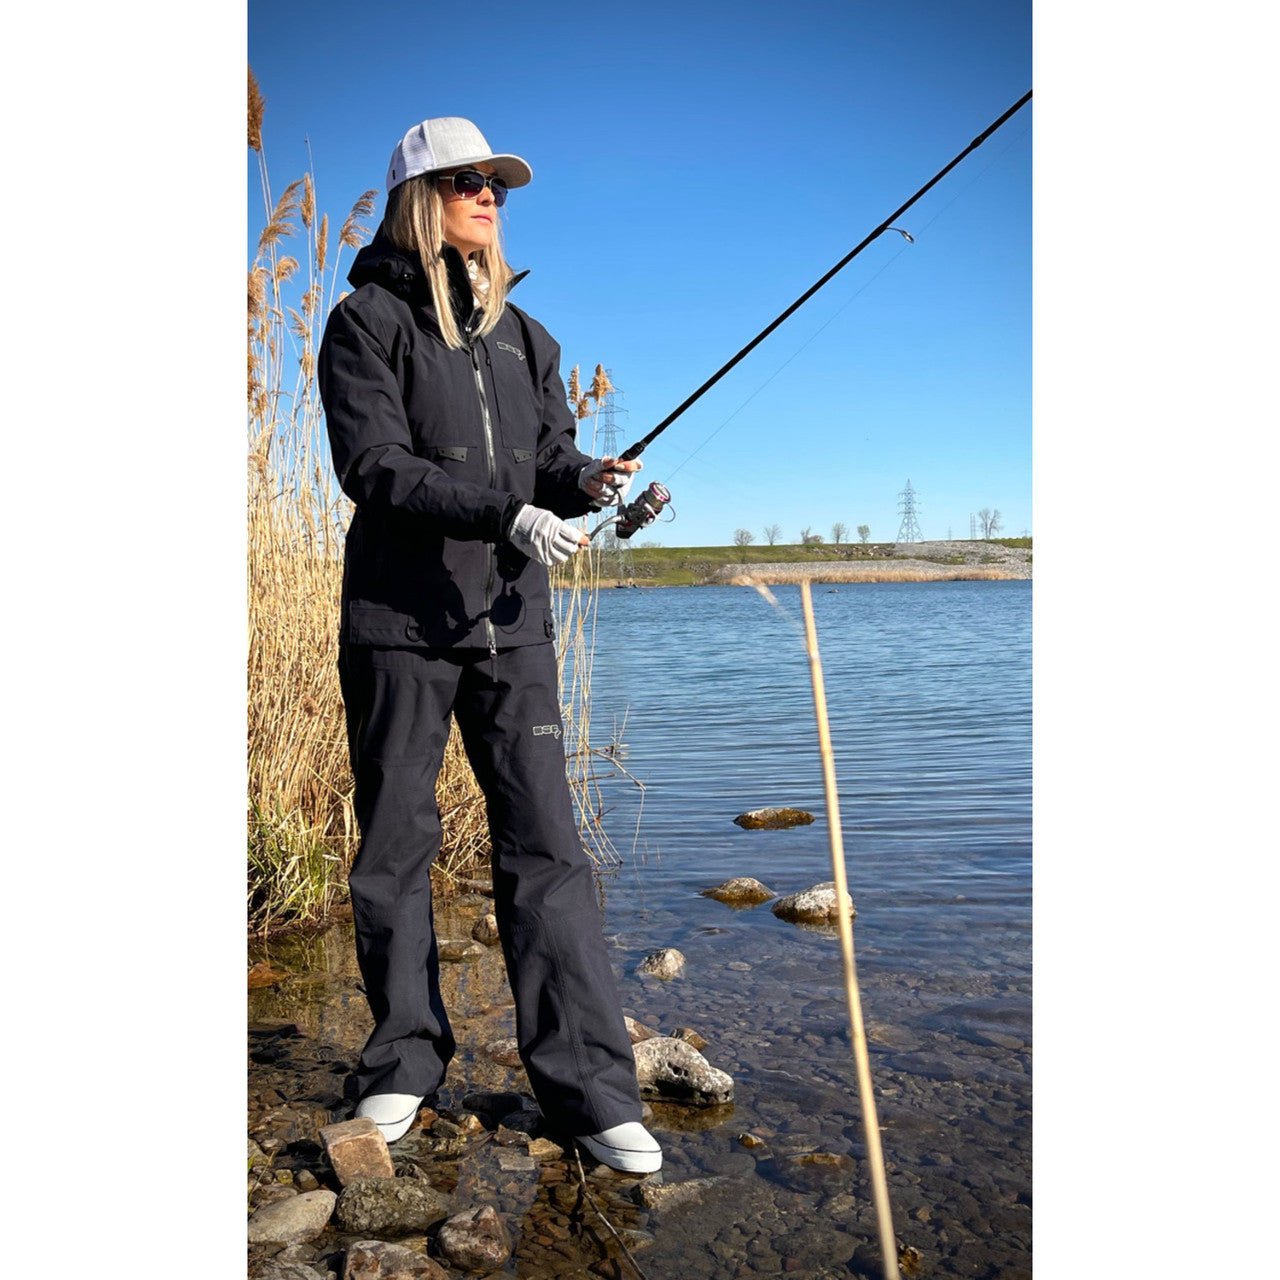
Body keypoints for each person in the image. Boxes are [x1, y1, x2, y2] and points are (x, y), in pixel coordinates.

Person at [316, 117, 660, 1175]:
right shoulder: (365, 323)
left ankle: (589, 1090)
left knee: (547, 849)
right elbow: (375, 466)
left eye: (498, 185)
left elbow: (549, 462)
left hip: (513, 628)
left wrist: (589, 480)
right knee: (395, 847)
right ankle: (402, 1062)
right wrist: (506, 513)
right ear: (419, 198)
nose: (489, 197)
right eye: (467, 181)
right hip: (399, 626)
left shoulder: (528, 339)